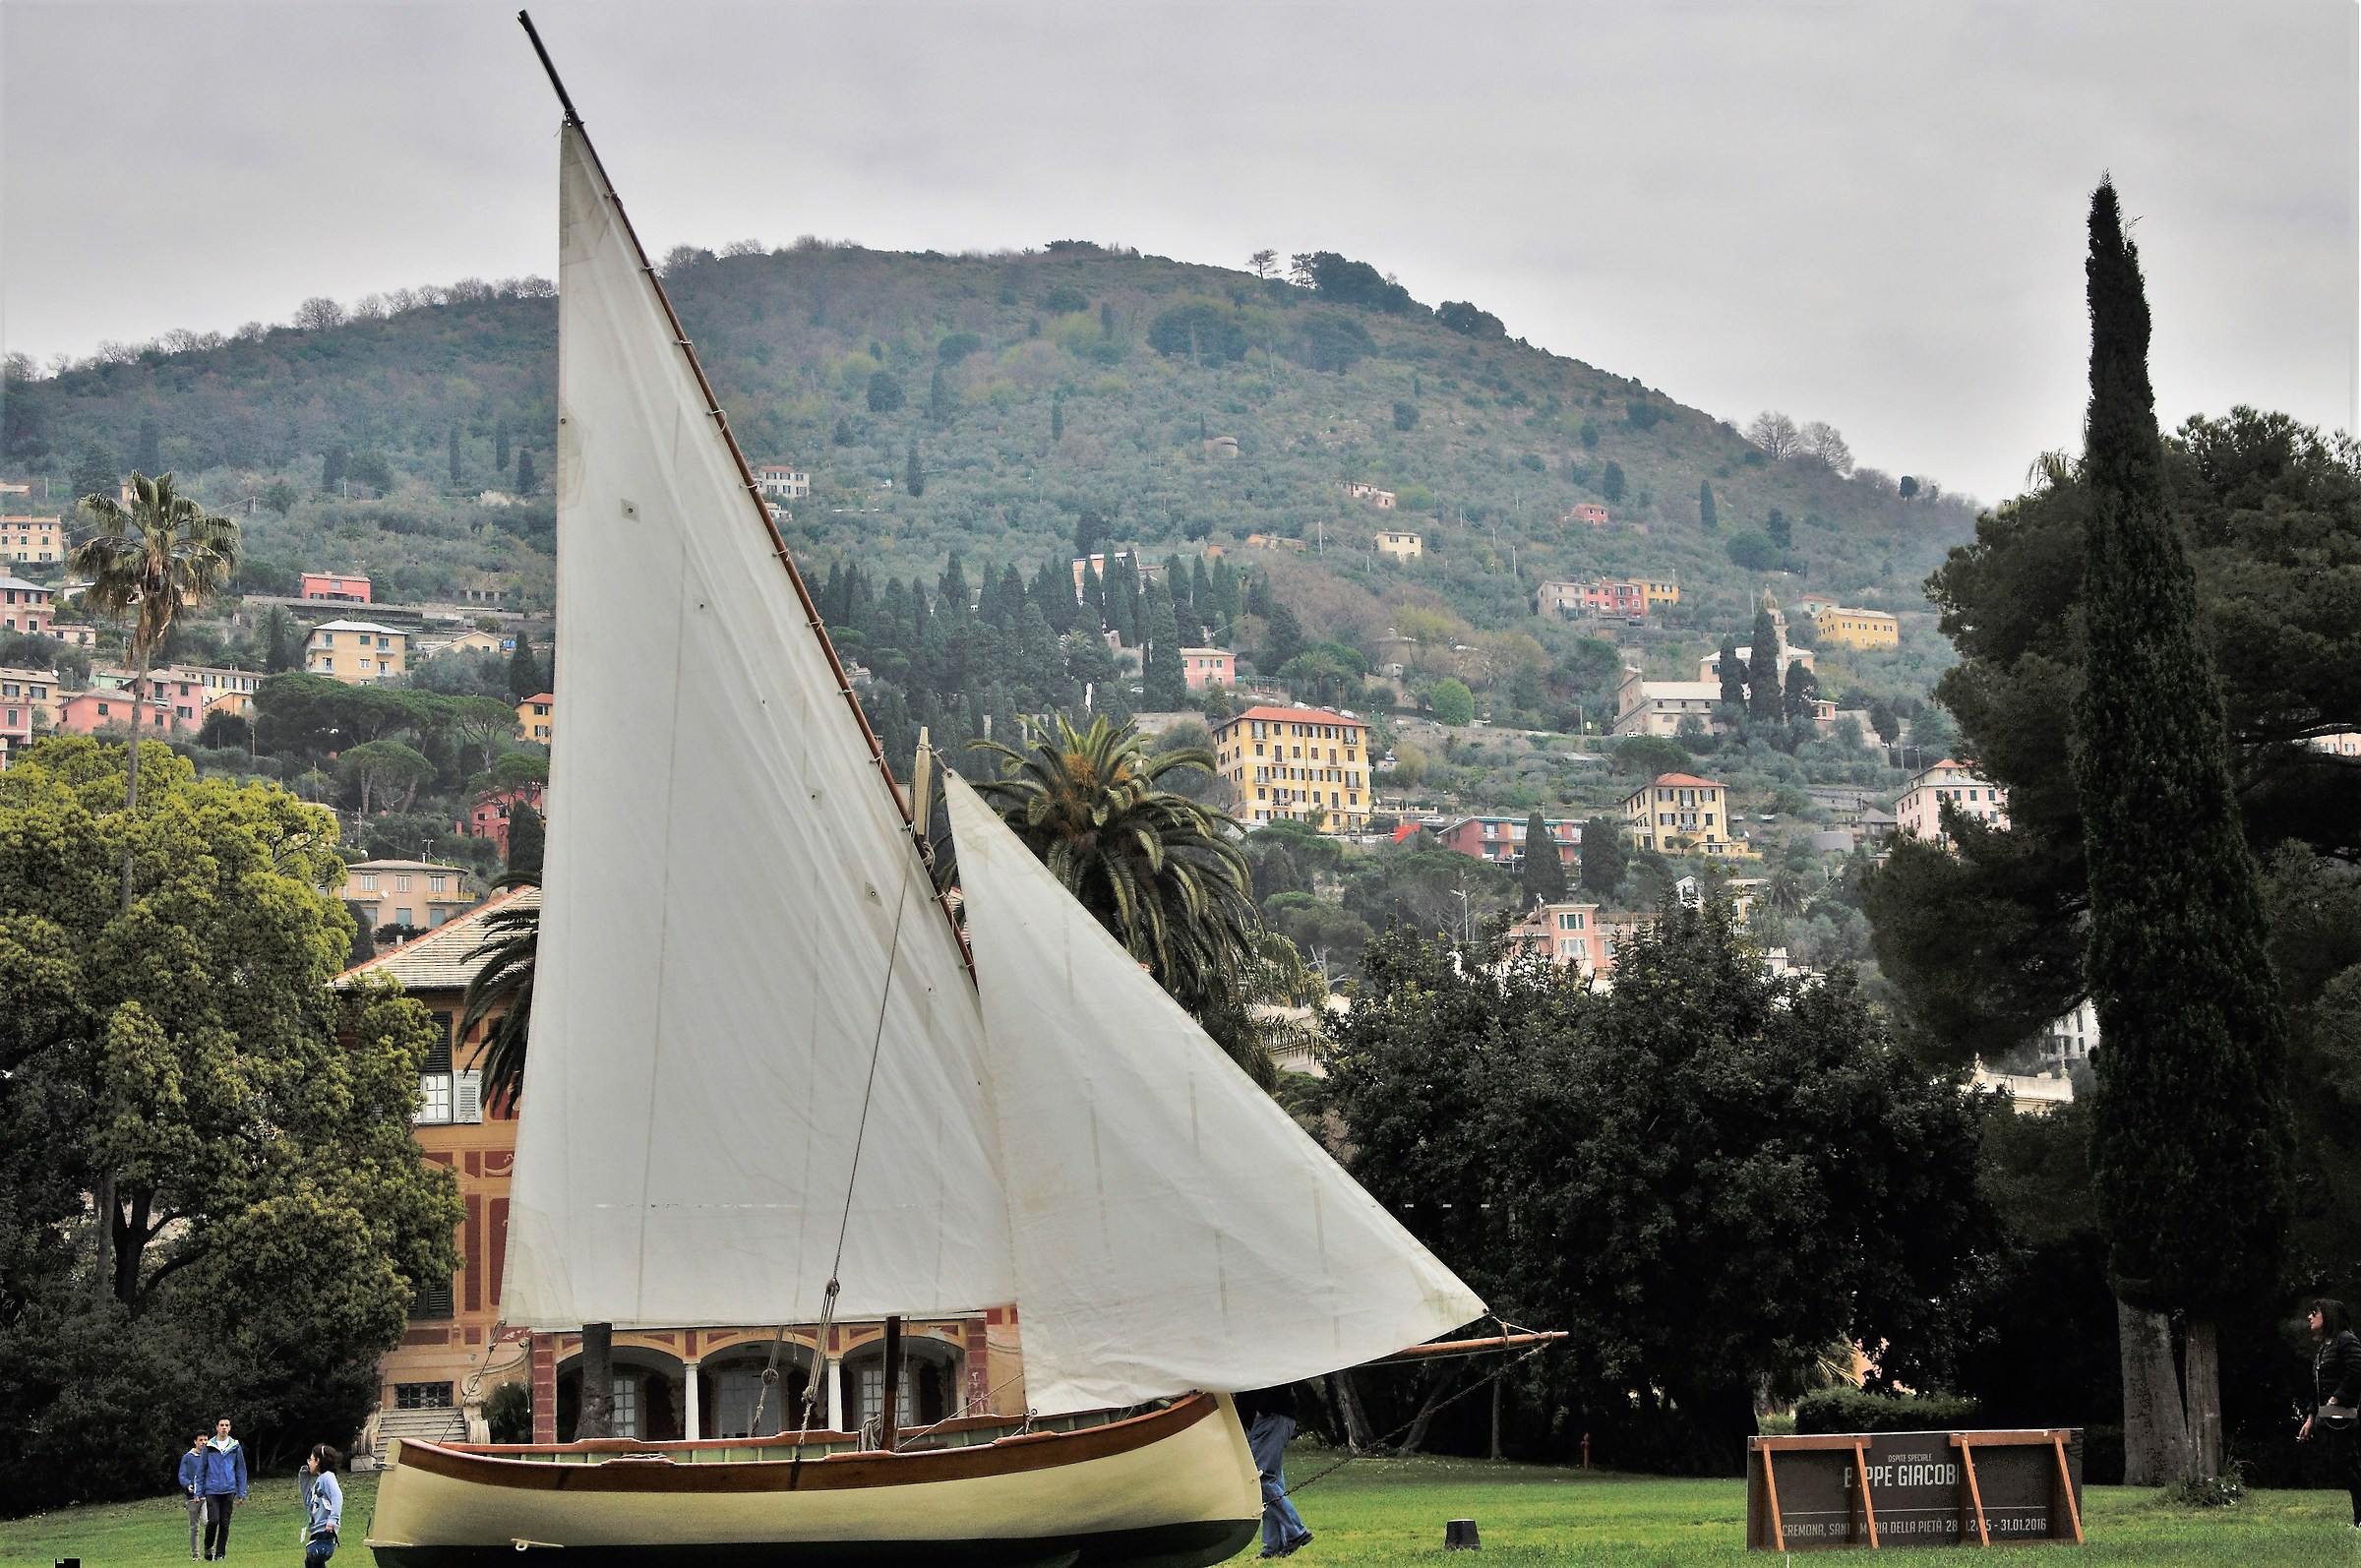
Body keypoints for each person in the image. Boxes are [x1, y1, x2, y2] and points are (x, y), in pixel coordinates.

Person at [2300, 1298, 2361, 1531]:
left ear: (2328, 1315)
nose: (2309, 1317)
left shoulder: (2347, 1341)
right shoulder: (2324, 1348)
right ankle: (2360, 1520)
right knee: (2346, 1465)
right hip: (2332, 1417)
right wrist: (2310, 1417)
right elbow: (2315, 1387)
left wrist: (2336, 1397)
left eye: (2314, 1313)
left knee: (2345, 1464)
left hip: (2345, 1416)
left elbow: (2356, 1373)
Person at [1235, 1385, 1312, 1559]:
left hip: (1270, 1417)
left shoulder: (1260, 1359)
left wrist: (1262, 1409)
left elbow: (1281, 1379)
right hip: (1261, 1419)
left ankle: (1297, 1532)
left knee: (1261, 1479)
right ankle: (1274, 1546)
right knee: (1271, 1480)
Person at [198, 1417, 247, 1560]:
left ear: (230, 1428)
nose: (224, 1428)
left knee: (225, 1523)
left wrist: (241, 1491)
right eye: (221, 1425)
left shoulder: (235, 1446)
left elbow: (241, 1470)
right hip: (212, 1489)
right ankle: (208, 1546)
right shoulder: (209, 1446)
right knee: (213, 1520)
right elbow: (201, 1469)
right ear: (217, 1427)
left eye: (227, 1425)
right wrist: (198, 1491)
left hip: (229, 1489)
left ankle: (220, 1554)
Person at [301, 1445, 344, 1568]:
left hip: (324, 1530)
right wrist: (303, 1479)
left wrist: (333, 1519)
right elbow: (308, 1503)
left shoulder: (327, 1477)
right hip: (317, 1530)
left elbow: (337, 1497)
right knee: (310, 1563)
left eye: (311, 1459)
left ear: (318, 1461)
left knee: (316, 1558)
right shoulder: (320, 1480)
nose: (309, 1463)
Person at [177, 1434, 208, 1560]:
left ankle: (209, 1551)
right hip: (192, 1497)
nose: (203, 1443)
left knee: (208, 1522)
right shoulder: (187, 1458)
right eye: (201, 1440)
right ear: (195, 1441)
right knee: (194, 1527)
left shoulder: (209, 1456)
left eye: (205, 1440)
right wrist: (188, 1485)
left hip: (207, 1495)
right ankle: (195, 1555)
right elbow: (182, 1474)